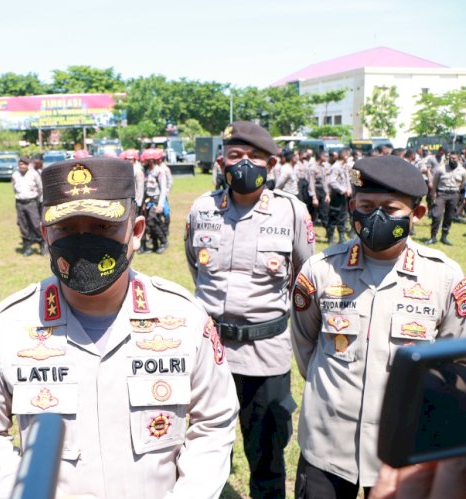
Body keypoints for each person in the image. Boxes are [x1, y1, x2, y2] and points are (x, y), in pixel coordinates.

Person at [0, 157, 239, 498]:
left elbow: (215, 420)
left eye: (102, 227)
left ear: (136, 232)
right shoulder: (9, 327)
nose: (83, 241)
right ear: (46, 235)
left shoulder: (185, 320)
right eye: (67, 229)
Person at [291, 156, 465, 498]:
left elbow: (451, 365)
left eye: (390, 208)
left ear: (417, 215)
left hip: (401, 450)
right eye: (366, 206)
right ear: (352, 206)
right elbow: (305, 347)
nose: (376, 217)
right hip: (328, 443)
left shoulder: (444, 278)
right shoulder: (320, 271)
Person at [185, 121, 315, 498]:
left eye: (255, 157)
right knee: (205, 452)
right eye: (235, 155)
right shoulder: (202, 209)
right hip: (212, 355)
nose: (244, 163)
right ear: (221, 160)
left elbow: (305, 279)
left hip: (266, 355)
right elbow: (197, 266)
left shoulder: (292, 212)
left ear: (271, 164)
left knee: (267, 457)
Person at [426, 150, 465, 246]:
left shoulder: (463, 171)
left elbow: (462, 184)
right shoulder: (441, 169)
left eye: (454, 158)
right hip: (441, 194)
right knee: (436, 215)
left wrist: (457, 193)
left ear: (459, 159)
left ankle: (444, 237)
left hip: (454, 195)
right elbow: (435, 183)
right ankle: (433, 237)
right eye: (450, 158)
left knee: (449, 216)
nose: (452, 160)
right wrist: (433, 194)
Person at [11, 156, 43, 256]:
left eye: (24, 164)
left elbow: (40, 188)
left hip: (32, 203)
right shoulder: (15, 175)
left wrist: (39, 202)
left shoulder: (34, 174)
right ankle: (27, 247)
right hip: (20, 203)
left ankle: (42, 244)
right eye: (21, 164)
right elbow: (14, 189)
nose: (23, 166)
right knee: (23, 226)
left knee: (36, 225)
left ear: (28, 165)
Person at [140, 149, 169, 254]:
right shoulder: (147, 171)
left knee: (152, 221)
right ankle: (155, 246)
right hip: (148, 201)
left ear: (151, 160)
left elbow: (163, 190)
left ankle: (164, 242)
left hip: (156, 200)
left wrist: (160, 205)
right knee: (149, 223)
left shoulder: (159, 172)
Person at [327, 149, 352, 244]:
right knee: (334, 215)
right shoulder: (336, 167)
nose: (348, 157)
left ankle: (341, 236)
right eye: (348, 155)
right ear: (345, 156)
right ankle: (330, 236)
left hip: (343, 196)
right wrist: (343, 190)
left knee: (343, 216)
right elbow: (332, 181)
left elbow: (347, 180)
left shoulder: (344, 166)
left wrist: (349, 190)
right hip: (337, 195)